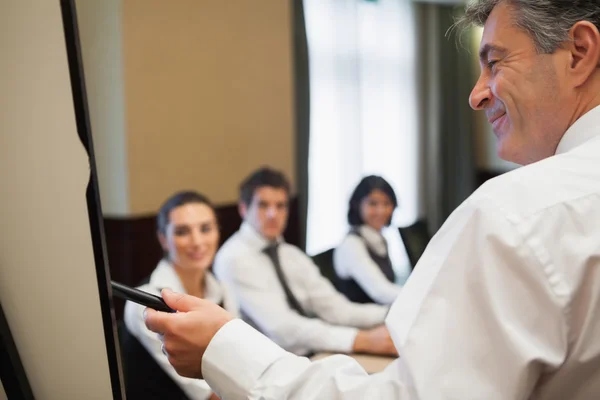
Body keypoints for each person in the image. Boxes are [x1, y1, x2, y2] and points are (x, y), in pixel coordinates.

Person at [144, 1, 600, 398]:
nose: (476, 94)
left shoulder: (515, 214)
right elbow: (292, 324)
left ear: (579, 52)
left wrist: (225, 350)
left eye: (495, 63)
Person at [211, 167, 396, 357]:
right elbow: (283, 328)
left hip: (314, 353)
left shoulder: (290, 254)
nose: (273, 214)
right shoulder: (235, 258)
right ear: (243, 208)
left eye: (281, 206)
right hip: (269, 366)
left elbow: (335, 308)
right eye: (263, 205)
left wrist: (391, 313)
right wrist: (361, 340)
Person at [123, 191, 236, 400]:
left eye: (206, 229)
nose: (197, 241)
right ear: (163, 239)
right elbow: (207, 395)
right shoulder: (145, 303)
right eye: (182, 232)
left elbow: (237, 359)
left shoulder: (221, 288)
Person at [334, 175, 409, 304]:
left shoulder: (379, 239)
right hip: (363, 320)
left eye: (386, 203)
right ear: (358, 204)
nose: (381, 211)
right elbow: (381, 292)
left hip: (380, 315)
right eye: (373, 204)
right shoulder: (351, 245)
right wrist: (418, 296)